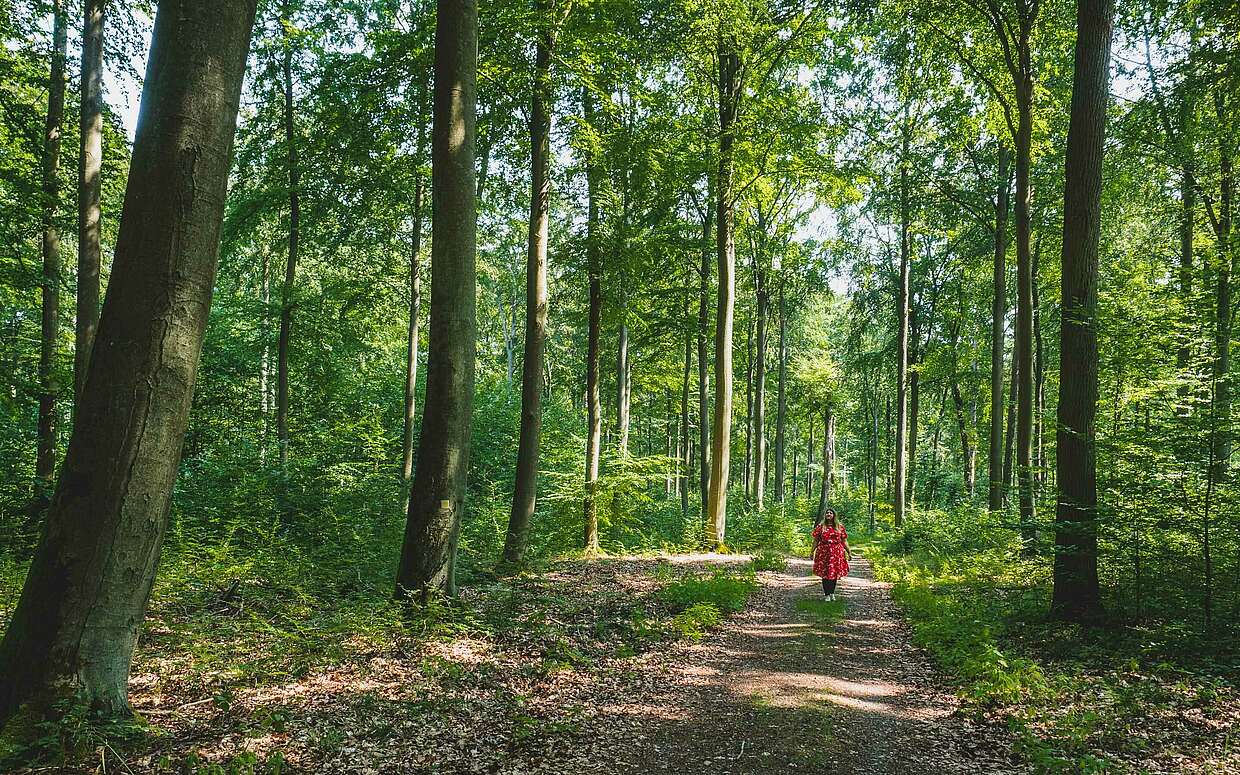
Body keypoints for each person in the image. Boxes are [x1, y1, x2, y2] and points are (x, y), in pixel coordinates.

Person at [812, 508, 851, 601]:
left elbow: (844, 541)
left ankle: (832, 592)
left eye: (831, 513)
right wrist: (812, 551)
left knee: (834, 573)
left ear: (834, 515)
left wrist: (849, 552)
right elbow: (815, 540)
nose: (829, 514)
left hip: (836, 553)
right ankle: (827, 594)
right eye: (827, 513)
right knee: (825, 573)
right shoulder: (821, 527)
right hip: (823, 552)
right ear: (825, 515)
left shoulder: (839, 527)